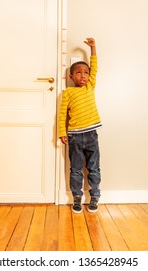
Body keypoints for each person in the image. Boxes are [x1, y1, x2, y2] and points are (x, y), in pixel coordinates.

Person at [59, 38, 102, 213]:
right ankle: (77, 198)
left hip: (91, 134)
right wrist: (62, 132)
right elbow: (62, 114)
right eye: (78, 73)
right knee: (76, 169)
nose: (83, 75)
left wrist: (92, 47)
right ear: (71, 76)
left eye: (85, 72)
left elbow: (95, 67)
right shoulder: (68, 92)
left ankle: (95, 196)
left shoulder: (90, 86)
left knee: (93, 167)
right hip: (75, 136)